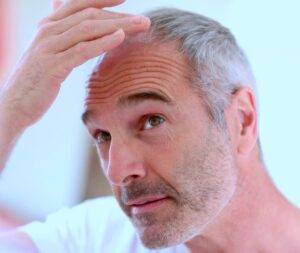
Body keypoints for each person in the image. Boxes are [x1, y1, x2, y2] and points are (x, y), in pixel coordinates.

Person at [0, 0, 300, 252]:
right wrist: (12, 109)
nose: (117, 172)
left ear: (242, 121)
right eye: (102, 135)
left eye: (151, 120)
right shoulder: (91, 237)